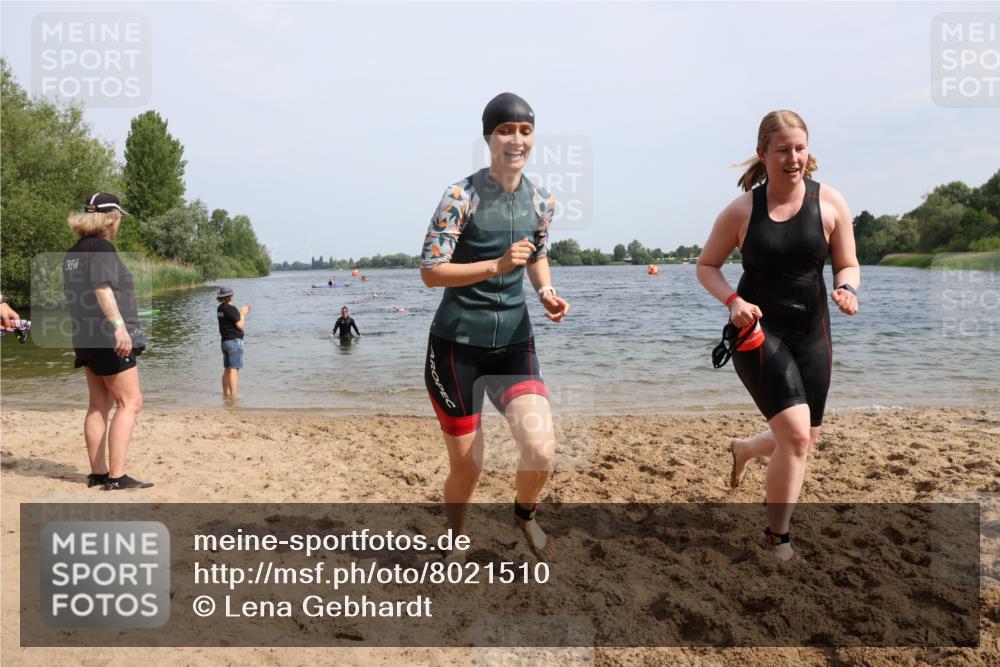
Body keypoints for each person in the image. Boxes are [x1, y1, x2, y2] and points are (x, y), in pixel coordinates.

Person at [696, 110, 860, 560]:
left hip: (813, 334)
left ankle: (747, 448)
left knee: (805, 436)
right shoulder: (742, 210)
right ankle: (777, 538)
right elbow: (706, 266)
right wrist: (733, 301)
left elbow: (848, 263)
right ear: (763, 154)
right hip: (756, 332)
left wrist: (847, 289)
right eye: (783, 150)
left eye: (800, 148)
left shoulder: (830, 202)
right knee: (796, 437)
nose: (794, 158)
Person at [420, 93, 571, 562]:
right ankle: (456, 539)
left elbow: (537, 253)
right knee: (470, 467)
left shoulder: (542, 200)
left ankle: (525, 515)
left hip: (513, 343)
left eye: (525, 131)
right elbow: (431, 272)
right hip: (456, 349)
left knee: (540, 449)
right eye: (506, 130)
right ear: (489, 137)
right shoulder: (460, 196)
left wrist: (545, 291)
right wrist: (496, 266)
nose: (516, 140)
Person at [63, 193, 152, 490]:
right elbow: (102, 288)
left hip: (85, 335)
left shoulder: (74, 252)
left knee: (98, 404)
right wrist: (120, 328)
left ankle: (98, 473)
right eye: (119, 218)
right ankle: (117, 477)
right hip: (107, 335)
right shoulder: (102, 247)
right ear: (111, 218)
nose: (119, 223)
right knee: (130, 402)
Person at [216, 286, 250, 398]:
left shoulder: (220, 308)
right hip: (234, 342)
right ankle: (233, 396)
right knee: (233, 370)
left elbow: (230, 319)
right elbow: (240, 325)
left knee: (227, 369)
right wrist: (243, 314)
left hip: (225, 342)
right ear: (230, 296)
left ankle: (225, 394)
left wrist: (239, 313)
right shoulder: (231, 309)